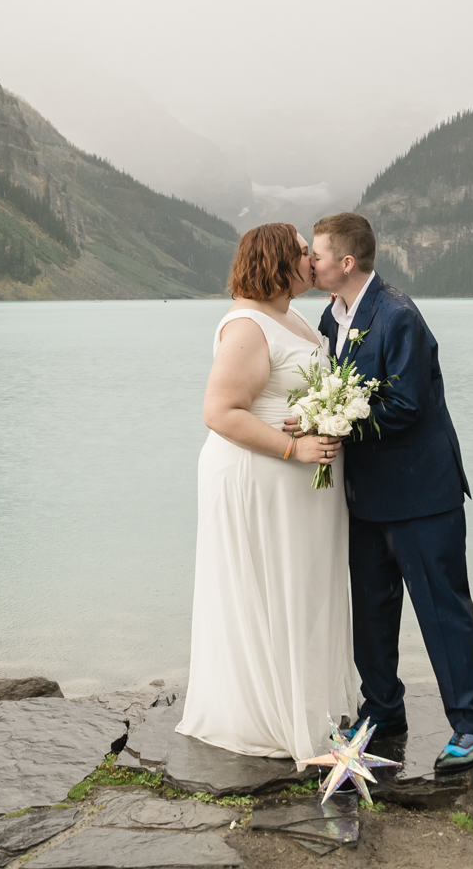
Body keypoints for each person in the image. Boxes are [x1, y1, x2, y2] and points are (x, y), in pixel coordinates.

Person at [294, 211, 473, 773]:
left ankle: (471, 727)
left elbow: (407, 406)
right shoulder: (329, 320)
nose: (311, 261)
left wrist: (332, 422)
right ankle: (383, 709)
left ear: (346, 262)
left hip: (423, 496)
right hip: (363, 497)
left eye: (318, 253)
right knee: (372, 611)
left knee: (443, 611)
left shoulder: (398, 315)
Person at [177, 223, 356, 761]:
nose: (312, 259)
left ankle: (307, 706)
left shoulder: (292, 315)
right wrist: (293, 450)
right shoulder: (246, 324)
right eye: (303, 252)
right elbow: (219, 412)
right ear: (279, 260)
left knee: (302, 588)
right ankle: (275, 719)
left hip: (301, 486)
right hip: (261, 479)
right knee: (274, 587)